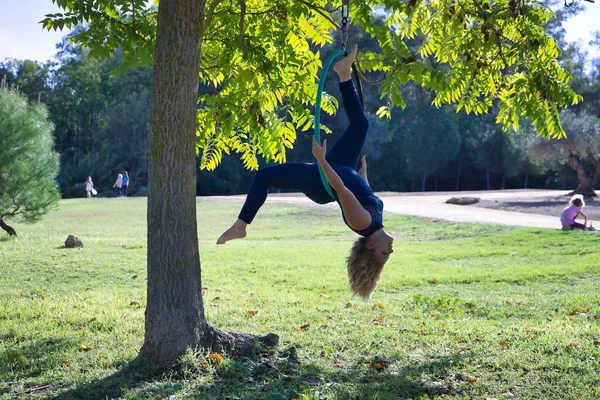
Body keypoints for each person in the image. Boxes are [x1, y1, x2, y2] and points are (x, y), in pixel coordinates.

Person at [217, 45, 394, 299]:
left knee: (264, 176)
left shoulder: (363, 224)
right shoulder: (375, 221)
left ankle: (240, 226)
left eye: (383, 253)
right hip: (343, 168)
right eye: (388, 254)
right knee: (361, 125)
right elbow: (364, 193)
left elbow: (342, 190)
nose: (390, 249)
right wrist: (363, 172)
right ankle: (344, 73)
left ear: (370, 246)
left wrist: (321, 161)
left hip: (322, 182)